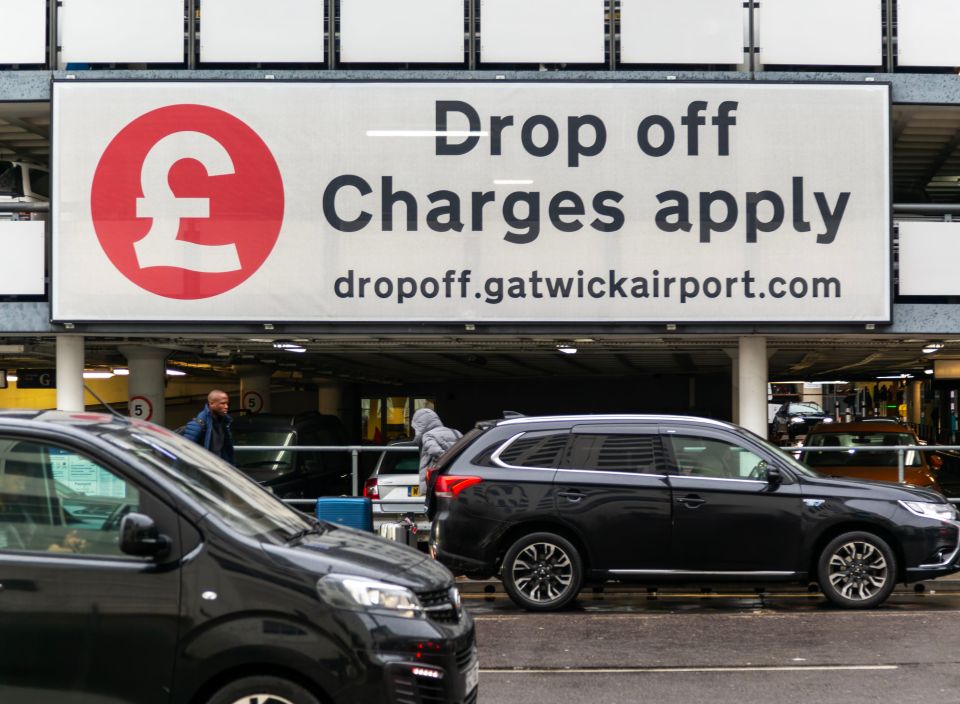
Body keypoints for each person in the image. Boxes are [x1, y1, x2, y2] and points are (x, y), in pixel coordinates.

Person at [411, 408, 461, 493]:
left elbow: (434, 451)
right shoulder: (455, 432)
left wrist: (445, 461)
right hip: (455, 476)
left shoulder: (428, 435)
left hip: (435, 478)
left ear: (420, 425)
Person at [182, 389, 235, 463]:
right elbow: (184, 451)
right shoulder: (198, 424)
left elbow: (227, 452)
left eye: (227, 403)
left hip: (219, 469)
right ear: (211, 404)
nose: (226, 406)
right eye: (222, 403)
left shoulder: (224, 423)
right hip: (203, 470)